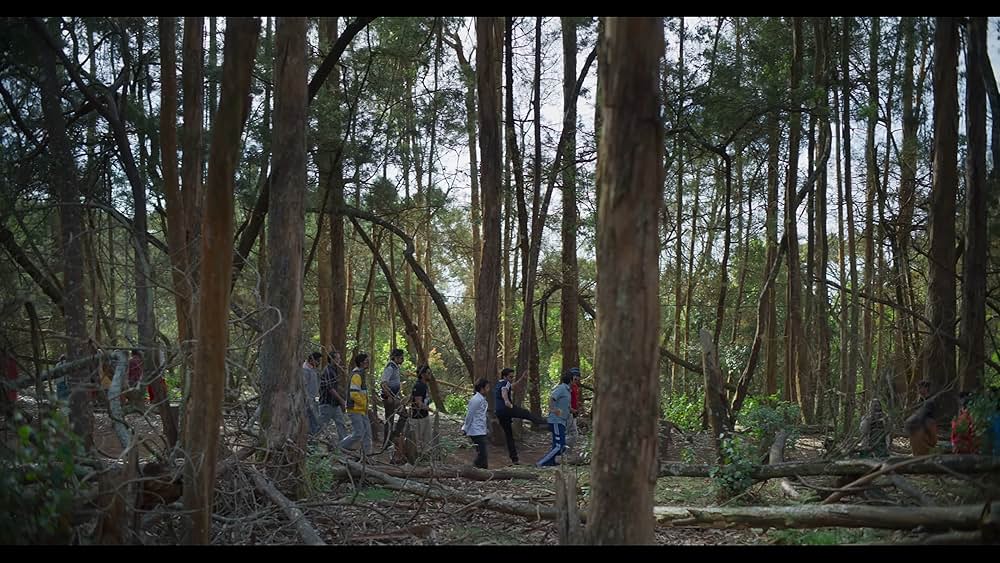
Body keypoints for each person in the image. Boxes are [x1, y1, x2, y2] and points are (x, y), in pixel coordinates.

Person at [494, 367, 546, 465]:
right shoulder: (505, 384)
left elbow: (513, 386)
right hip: (506, 409)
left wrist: (522, 378)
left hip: (499, 412)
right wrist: (508, 402)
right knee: (525, 413)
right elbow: (504, 391)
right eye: (510, 377)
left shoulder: (500, 383)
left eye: (512, 377)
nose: (512, 378)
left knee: (509, 435)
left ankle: (514, 459)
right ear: (504, 377)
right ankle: (542, 423)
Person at [339, 353, 373, 455]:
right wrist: (364, 404)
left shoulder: (361, 374)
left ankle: (367, 456)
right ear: (362, 363)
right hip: (355, 409)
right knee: (358, 433)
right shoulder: (357, 375)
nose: (369, 363)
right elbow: (354, 394)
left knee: (367, 433)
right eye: (367, 361)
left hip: (362, 410)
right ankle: (339, 447)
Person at [537, 372, 572, 467]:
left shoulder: (568, 391)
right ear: (571, 380)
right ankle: (541, 463)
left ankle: (550, 463)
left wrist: (572, 410)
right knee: (559, 446)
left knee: (559, 445)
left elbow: (565, 405)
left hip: (562, 421)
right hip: (556, 420)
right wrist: (553, 409)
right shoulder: (561, 388)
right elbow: (552, 398)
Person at [318, 349, 349, 444]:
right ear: (331, 359)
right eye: (337, 358)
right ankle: (313, 443)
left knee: (341, 423)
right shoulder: (327, 371)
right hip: (327, 404)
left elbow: (336, 386)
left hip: (334, 405)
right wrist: (341, 401)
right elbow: (330, 389)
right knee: (321, 425)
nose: (339, 360)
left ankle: (344, 445)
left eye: (339, 358)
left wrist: (344, 394)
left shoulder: (335, 370)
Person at [462, 378, 490, 469]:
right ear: (482, 388)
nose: (488, 389)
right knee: (482, 453)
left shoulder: (482, 399)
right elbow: (469, 415)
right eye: (487, 387)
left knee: (482, 453)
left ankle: (483, 470)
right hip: (475, 430)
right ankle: (472, 469)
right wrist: (465, 428)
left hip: (481, 429)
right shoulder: (476, 400)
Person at [380, 348, 405, 446]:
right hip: (389, 398)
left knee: (399, 416)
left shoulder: (395, 367)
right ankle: (388, 442)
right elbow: (383, 383)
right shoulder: (390, 368)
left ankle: (392, 438)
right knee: (390, 420)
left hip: (394, 397)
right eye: (401, 357)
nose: (402, 359)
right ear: (395, 357)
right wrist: (389, 396)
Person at [409, 365, 432, 459]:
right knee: (417, 439)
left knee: (427, 438)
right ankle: (417, 458)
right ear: (422, 375)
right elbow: (418, 403)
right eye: (428, 373)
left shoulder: (424, 385)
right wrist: (431, 410)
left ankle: (425, 456)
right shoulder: (419, 386)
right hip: (417, 418)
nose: (430, 375)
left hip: (424, 416)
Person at [301, 352, 323, 436]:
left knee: (315, 419)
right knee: (313, 419)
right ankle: (312, 437)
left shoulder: (312, 369)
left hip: (314, 398)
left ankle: (313, 437)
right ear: (312, 360)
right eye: (318, 361)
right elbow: (304, 385)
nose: (319, 363)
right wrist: (307, 399)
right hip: (308, 400)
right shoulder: (305, 369)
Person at [566, 368, 582, 451]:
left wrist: (577, 406)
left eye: (578, 376)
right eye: (575, 376)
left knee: (572, 434)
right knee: (572, 434)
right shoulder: (567, 387)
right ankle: (562, 451)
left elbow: (574, 399)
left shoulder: (575, 386)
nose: (576, 378)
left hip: (573, 413)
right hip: (568, 413)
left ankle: (565, 453)